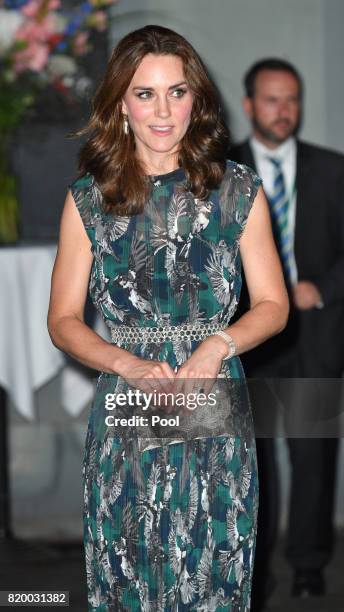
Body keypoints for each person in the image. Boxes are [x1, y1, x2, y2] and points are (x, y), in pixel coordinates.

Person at [47, 28, 288, 611]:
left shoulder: (238, 192)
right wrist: (122, 360)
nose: (163, 111)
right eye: (145, 93)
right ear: (121, 104)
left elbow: (274, 306)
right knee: (132, 569)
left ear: (196, 100)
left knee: (210, 566)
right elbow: (62, 320)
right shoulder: (89, 199)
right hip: (130, 397)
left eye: (177, 93)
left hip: (212, 394)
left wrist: (218, 345)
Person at [230, 58, 344, 609]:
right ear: (249, 105)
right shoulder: (218, 169)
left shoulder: (332, 168)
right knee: (249, 463)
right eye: (273, 100)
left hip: (315, 337)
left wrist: (319, 288)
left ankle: (308, 565)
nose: (285, 111)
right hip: (247, 342)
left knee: (314, 460)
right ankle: (251, 567)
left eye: (293, 99)